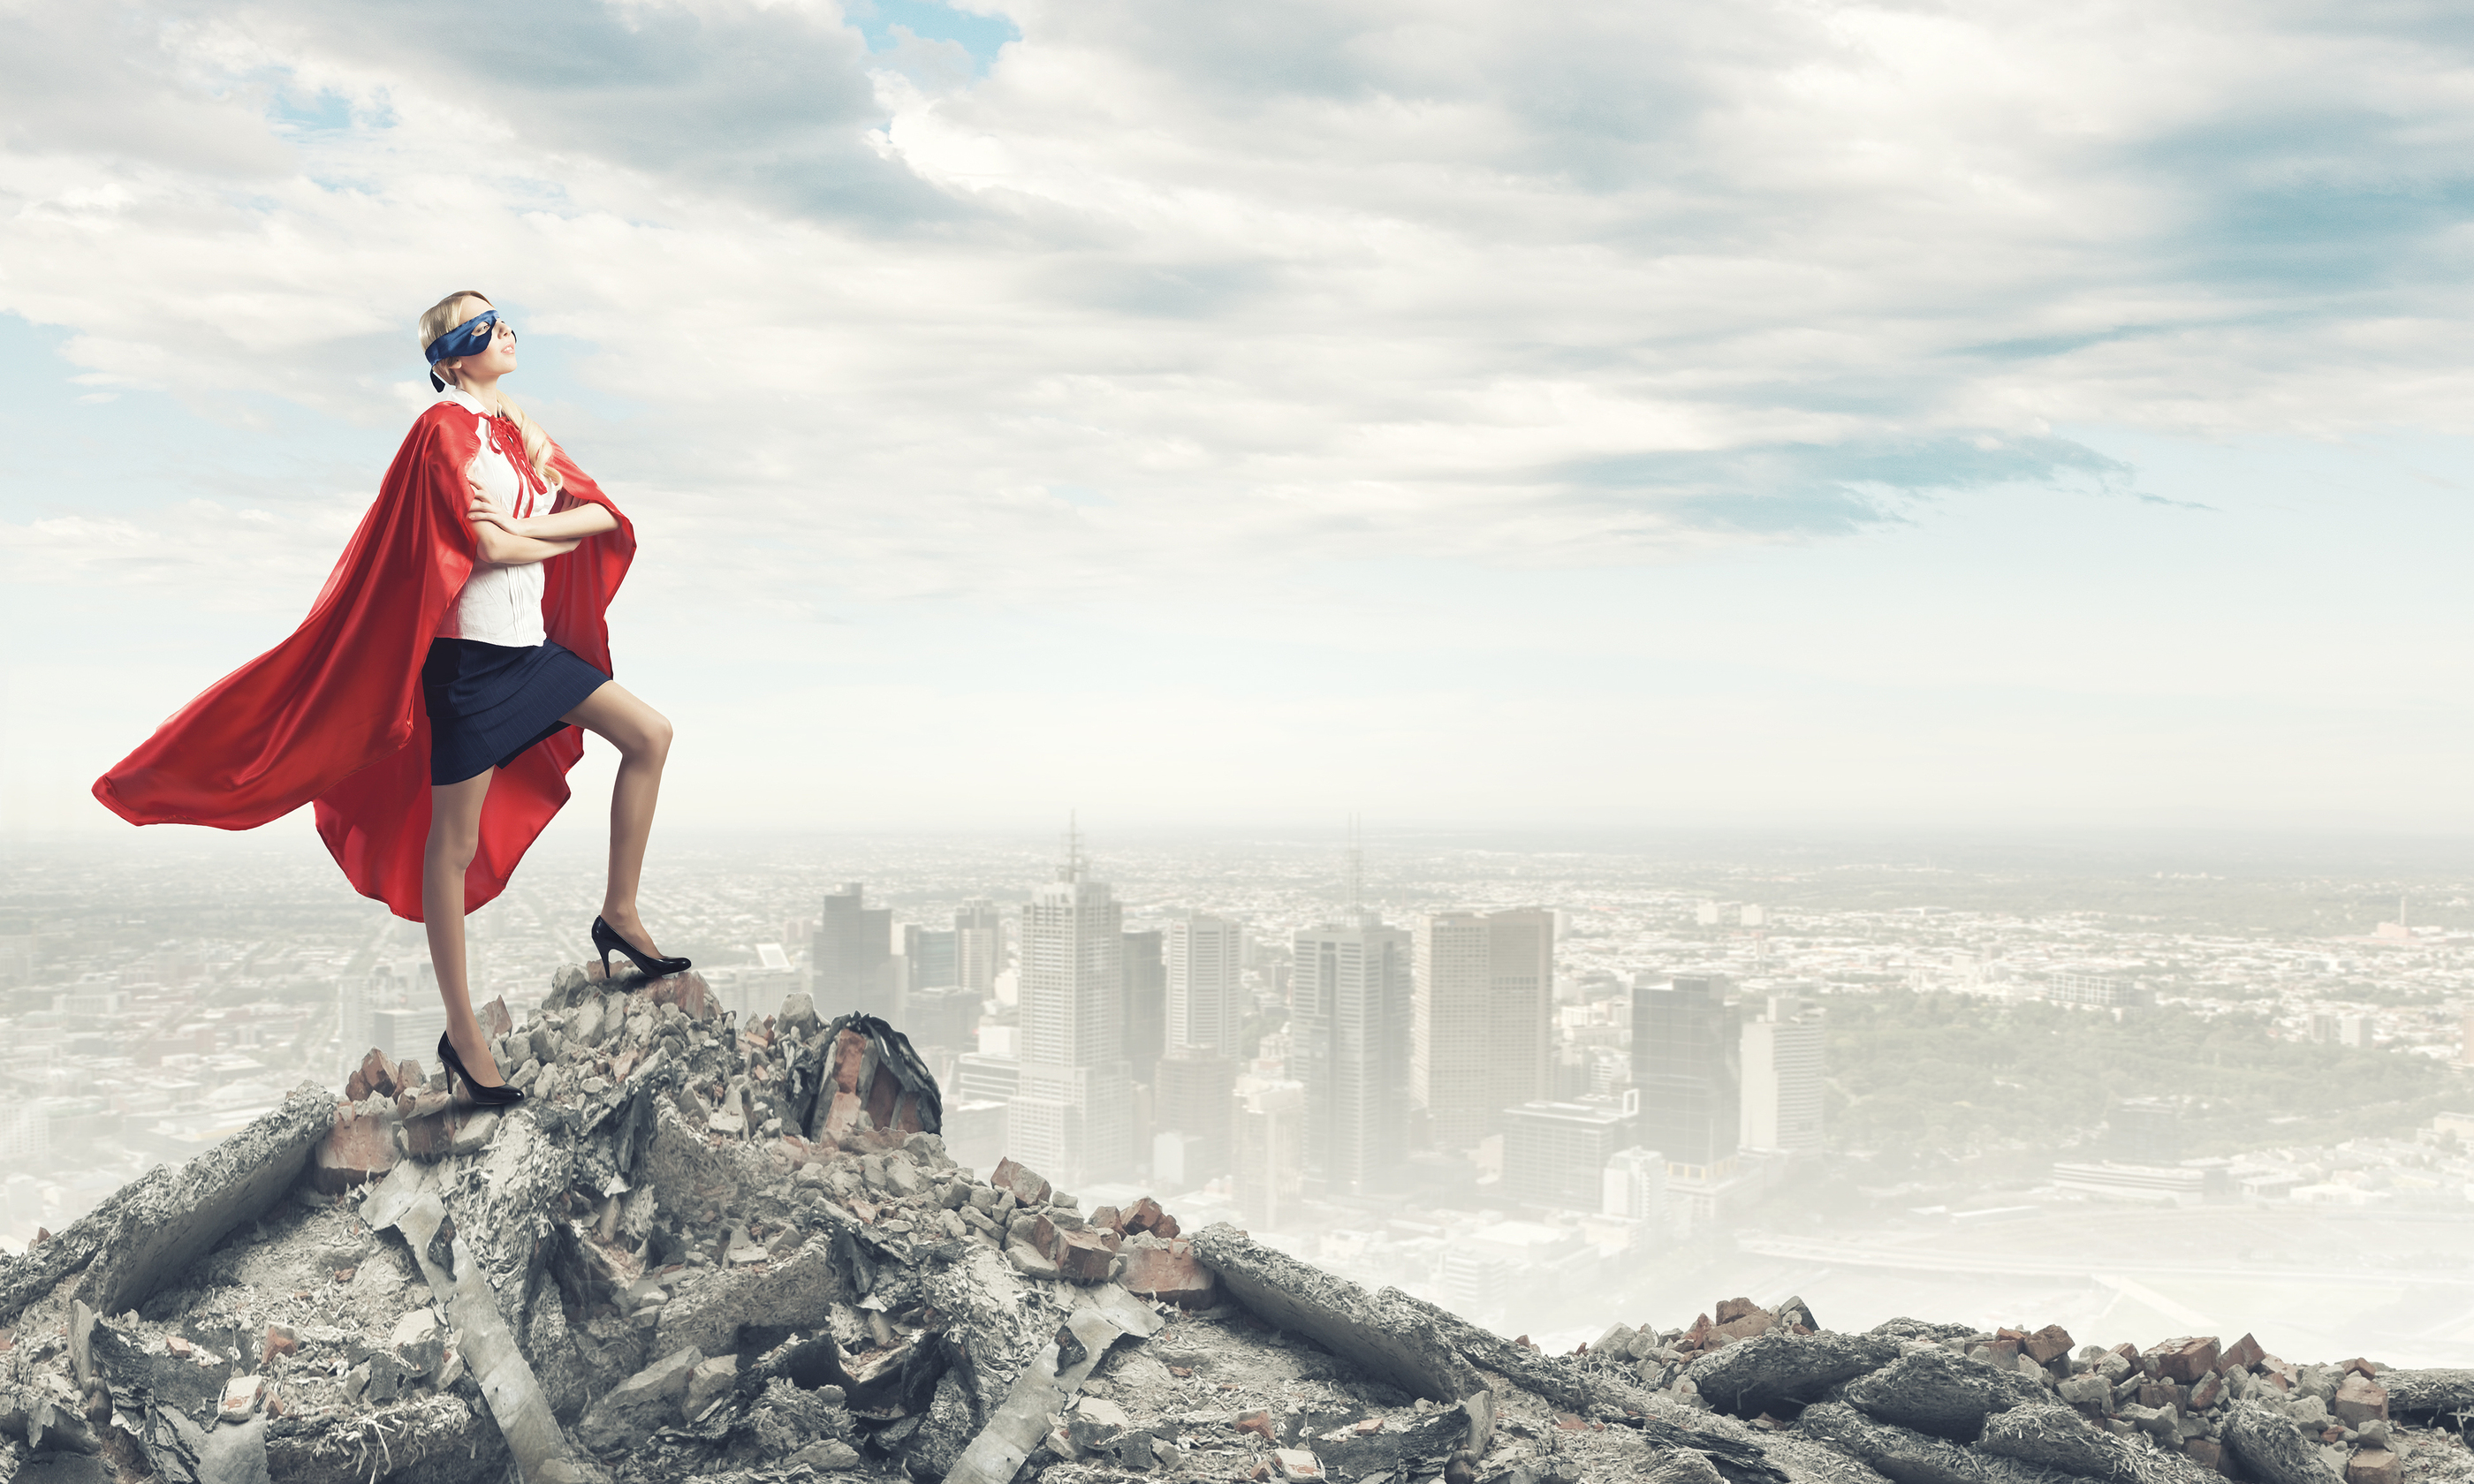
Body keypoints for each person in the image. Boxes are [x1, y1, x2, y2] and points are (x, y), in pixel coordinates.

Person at [94, 291, 688, 1105]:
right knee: (452, 847)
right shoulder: (441, 431)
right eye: (484, 326)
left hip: (530, 652)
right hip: (471, 667)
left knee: (649, 736)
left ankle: (619, 915)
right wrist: (546, 534)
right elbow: (483, 545)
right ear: (448, 360)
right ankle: (463, 1034)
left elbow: (590, 518)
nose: (505, 330)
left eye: (503, 317)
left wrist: (551, 534)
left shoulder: (515, 434)